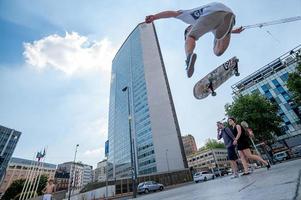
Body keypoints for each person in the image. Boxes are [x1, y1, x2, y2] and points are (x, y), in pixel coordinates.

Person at [145, 2, 244, 78]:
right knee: (218, 51)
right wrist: (234, 31)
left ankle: (188, 58)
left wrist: (155, 17)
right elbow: (212, 25)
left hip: (212, 12)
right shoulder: (207, 25)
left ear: (189, 28)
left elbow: (172, 13)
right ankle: (228, 27)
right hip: (226, 15)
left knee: (191, 37)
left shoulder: (188, 18)